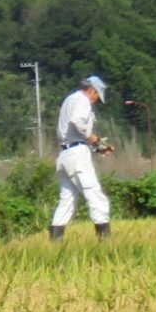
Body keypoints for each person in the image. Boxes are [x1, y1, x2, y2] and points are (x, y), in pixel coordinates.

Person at [50, 74, 115, 241]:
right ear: (92, 90)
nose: (96, 101)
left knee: (68, 200)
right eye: (97, 97)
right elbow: (77, 121)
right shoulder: (82, 100)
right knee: (96, 196)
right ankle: (105, 241)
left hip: (65, 154)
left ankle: (55, 242)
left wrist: (98, 146)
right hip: (77, 155)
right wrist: (92, 137)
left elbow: (72, 133)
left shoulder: (69, 99)